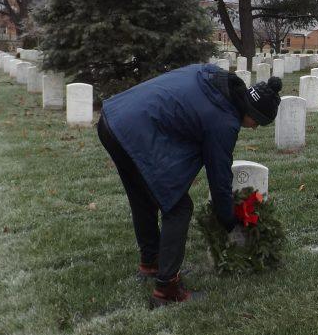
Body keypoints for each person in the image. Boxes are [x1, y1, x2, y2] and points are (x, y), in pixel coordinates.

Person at [97, 64, 282, 307]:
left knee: (143, 197)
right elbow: (219, 176)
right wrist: (228, 219)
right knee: (178, 207)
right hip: (135, 130)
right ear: (253, 114)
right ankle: (167, 289)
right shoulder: (225, 121)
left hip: (113, 119)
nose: (255, 128)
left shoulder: (214, 79)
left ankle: (151, 262)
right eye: (258, 123)